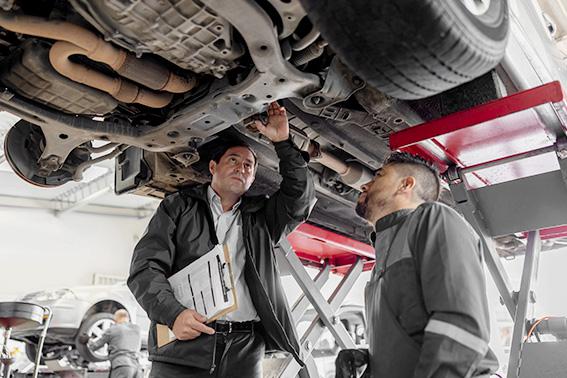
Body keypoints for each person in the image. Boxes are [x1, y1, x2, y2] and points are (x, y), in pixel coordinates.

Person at [128, 102, 314, 377]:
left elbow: (300, 198)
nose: (242, 168)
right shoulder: (178, 207)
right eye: (234, 160)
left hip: (244, 351)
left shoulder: (261, 217)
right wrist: (173, 314)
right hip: (184, 345)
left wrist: (283, 143)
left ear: (253, 177)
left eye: (249, 165)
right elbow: (145, 269)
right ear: (213, 167)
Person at [336, 152, 498, 378]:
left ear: (406, 184)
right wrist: (372, 362)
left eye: (378, 176)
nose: (365, 185)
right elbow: (413, 339)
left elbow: (460, 330)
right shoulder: (382, 259)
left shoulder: (434, 218)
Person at [80, 309, 142, 378]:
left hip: (122, 366)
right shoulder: (137, 329)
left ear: (116, 318)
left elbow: (94, 346)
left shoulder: (113, 329)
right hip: (137, 368)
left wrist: (88, 339)